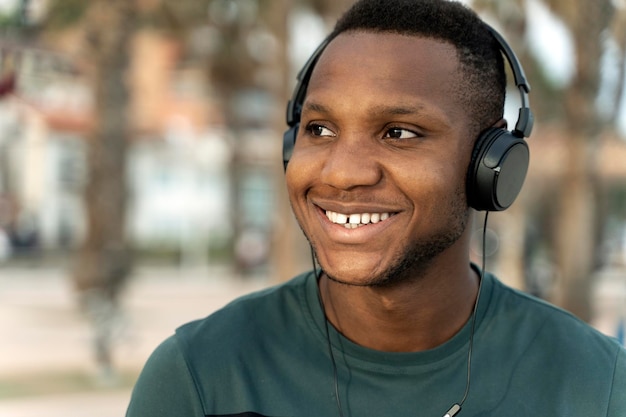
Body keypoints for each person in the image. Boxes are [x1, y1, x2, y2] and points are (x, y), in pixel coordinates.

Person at [126, 0, 626, 416]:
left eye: (399, 133)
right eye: (319, 130)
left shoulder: (596, 386)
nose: (343, 173)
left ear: (490, 162)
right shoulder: (199, 379)